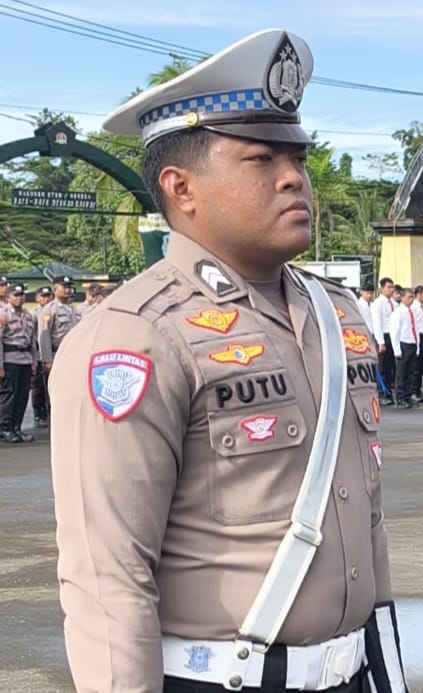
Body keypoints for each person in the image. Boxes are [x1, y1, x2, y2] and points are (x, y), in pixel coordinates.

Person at [49, 29, 404, 693]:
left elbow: (368, 518)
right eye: (260, 158)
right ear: (181, 188)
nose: (294, 176)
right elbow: (107, 578)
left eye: (297, 155)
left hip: (352, 672)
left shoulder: (337, 316)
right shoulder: (133, 337)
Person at [37, 275, 83, 420]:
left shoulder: (74, 310)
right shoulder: (49, 310)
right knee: (57, 392)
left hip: (73, 356)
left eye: (70, 286)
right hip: (57, 355)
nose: (68, 290)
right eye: (65, 287)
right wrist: (47, 359)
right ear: (55, 289)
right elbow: (43, 336)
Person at [0, 284, 38, 442]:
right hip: (10, 359)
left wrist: (34, 362)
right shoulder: (3, 315)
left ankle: (17, 427)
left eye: (22, 294)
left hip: (25, 360)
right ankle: (5, 428)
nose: (19, 297)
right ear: (9, 297)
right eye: (16, 295)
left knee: (23, 397)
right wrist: (0, 365)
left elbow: (32, 342)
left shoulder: (28, 316)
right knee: (10, 396)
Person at [30, 285, 52, 427]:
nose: (46, 298)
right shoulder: (34, 313)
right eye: (42, 296)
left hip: (49, 351)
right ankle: (39, 413)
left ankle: (49, 412)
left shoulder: (52, 310)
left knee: (49, 385)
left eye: (48, 295)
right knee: (38, 386)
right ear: (37, 298)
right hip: (38, 352)